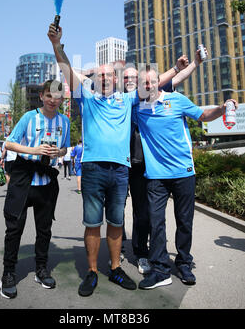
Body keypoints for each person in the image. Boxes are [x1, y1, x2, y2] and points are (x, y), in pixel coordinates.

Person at [47, 23, 179, 297]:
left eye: (109, 75)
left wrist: (177, 70)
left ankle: (116, 267)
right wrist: (56, 45)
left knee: (117, 222)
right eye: (101, 75)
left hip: (120, 170)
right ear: (95, 79)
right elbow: (66, 70)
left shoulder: (128, 99)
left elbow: (154, 83)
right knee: (93, 223)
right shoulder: (87, 97)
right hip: (94, 169)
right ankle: (93, 271)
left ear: (117, 80)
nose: (105, 78)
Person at [132, 65, 238, 289]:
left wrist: (221, 108)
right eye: (144, 83)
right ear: (141, 86)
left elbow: (203, 115)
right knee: (156, 222)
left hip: (183, 173)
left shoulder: (177, 100)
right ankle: (161, 269)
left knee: (184, 221)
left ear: (158, 81)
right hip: (155, 176)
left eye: (152, 81)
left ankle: (183, 262)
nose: (149, 86)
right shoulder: (137, 107)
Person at [124, 49, 208, 275]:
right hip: (133, 164)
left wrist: (193, 65)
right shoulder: (127, 101)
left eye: (135, 78)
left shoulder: (157, 94)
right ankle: (141, 253)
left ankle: (164, 257)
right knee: (141, 214)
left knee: (158, 217)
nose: (131, 81)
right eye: (127, 78)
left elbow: (173, 79)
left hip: (154, 165)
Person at [0, 80, 70, 299]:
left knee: (44, 230)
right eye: (49, 95)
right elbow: (9, 144)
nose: (53, 100)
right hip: (23, 178)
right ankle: (8, 274)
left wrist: (59, 152)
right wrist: (34, 149)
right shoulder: (30, 117)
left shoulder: (65, 121)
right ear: (41, 96)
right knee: (14, 230)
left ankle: (41, 269)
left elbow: (66, 147)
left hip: (47, 181)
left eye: (57, 97)